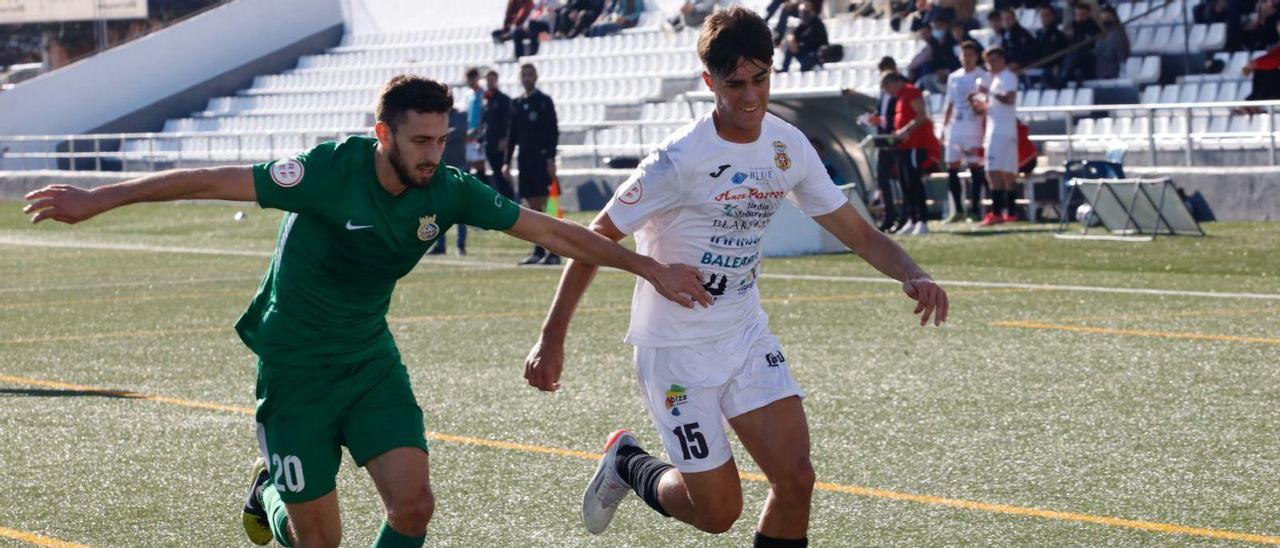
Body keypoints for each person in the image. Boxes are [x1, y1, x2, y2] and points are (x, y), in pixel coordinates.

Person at [21, 75, 714, 548]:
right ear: (382, 132)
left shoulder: (448, 189)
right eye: (420, 141)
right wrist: (95, 199)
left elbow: (556, 232)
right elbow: (208, 180)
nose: (434, 154)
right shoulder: (328, 171)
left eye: (443, 140)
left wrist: (649, 267)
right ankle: (268, 495)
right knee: (318, 539)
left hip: (368, 361)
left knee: (414, 505)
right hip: (293, 368)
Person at [521, 8, 949, 547]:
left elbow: (857, 232)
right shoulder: (677, 160)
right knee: (718, 512)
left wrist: (913, 273)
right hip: (676, 352)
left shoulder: (787, 145)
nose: (750, 96)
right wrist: (552, 336)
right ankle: (630, 465)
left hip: (745, 335)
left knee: (797, 480)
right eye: (734, 84)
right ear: (709, 82)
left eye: (760, 79)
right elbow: (594, 237)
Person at [504, 63, 562, 265]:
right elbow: (512, 135)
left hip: (541, 158)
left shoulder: (544, 101)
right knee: (532, 207)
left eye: (530, 74)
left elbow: (552, 131)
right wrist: (506, 162)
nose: (527, 77)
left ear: (536, 76)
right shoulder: (516, 103)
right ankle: (538, 250)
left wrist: (550, 158)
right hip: (524, 160)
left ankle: (554, 252)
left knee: (548, 206)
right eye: (524, 74)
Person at [433, 67, 487, 256]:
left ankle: (460, 244)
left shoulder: (460, 115)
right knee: (438, 208)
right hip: (440, 165)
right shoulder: (435, 116)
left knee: (460, 208)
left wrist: (440, 134)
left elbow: (459, 132)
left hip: (458, 164)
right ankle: (439, 244)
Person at [882, 71, 941, 235]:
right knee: (905, 183)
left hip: (916, 144)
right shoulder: (901, 97)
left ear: (894, 82)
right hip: (905, 146)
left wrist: (905, 130)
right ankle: (913, 219)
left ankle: (922, 219)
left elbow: (921, 116)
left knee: (914, 181)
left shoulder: (911, 92)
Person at [971, 46, 1019, 225]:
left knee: (1005, 173)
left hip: (1004, 132)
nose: (990, 65)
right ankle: (999, 212)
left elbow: (1009, 99)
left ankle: (1006, 212)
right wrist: (978, 107)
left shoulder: (1008, 77)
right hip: (993, 130)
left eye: (994, 60)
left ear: (1002, 60)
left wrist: (988, 93)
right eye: (988, 61)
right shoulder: (994, 80)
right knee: (994, 172)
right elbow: (993, 107)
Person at [943, 41, 989, 222]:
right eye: (964, 55)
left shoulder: (983, 76)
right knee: (952, 167)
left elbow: (984, 104)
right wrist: (944, 127)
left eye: (970, 55)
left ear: (976, 57)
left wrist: (976, 105)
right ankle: (958, 209)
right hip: (956, 126)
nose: (967, 58)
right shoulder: (954, 77)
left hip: (974, 126)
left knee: (974, 167)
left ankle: (975, 209)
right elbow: (950, 103)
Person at [867, 57, 902, 232]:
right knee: (882, 179)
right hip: (883, 140)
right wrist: (875, 118)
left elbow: (898, 115)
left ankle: (904, 216)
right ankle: (889, 215)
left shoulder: (900, 89)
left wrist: (881, 119)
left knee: (901, 180)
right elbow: (883, 112)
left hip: (896, 140)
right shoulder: (883, 91)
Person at [482, 69, 516, 200]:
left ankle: (511, 200)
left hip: (499, 143)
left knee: (503, 174)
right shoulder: (487, 99)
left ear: (496, 80)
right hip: (489, 142)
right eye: (487, 80)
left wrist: (505, 139)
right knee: (496, 174)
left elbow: (509, 121)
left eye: (492, 79)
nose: (489, 82)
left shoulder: (503, 99)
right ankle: (503, 200)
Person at [779, 1, 828, 72]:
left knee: (808, 61)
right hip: (806, 53)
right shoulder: (804, 24)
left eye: (805, 12)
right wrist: (791, 40)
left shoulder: (818, 24)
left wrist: (796, 41)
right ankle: (784, 69)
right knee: (790, 47)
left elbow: (812, 40)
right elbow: (792, 34)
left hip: (817, 54)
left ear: (812, 11)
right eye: (801, 12)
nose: (803, 14)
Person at [1061, 3, 1100, 85]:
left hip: (1088, 58)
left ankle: (1065, 76)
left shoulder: (1093, 27)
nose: (1079, 17)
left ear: (1088, 14)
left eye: (1082, 14)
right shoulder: (1074, 26)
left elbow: (1092, 44)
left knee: (1078, 53)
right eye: (1077, 14)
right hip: (1074, 58)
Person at [1033, 6, 1069, 88]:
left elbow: (1062, 55)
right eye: (1042, 15)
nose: (1044, 18)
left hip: (1053, 68)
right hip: (1039, 66)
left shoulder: (1059, 36)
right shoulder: (1038, 34)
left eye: (1047, 15)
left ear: (1052, 16)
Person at [1093, 5, 1129, 80]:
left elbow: (1121, 55)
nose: (1103, 18)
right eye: (1102, 16)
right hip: (1100, 70)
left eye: (1106, 16)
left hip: (1113, 71)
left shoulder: (1118, 33)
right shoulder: (1101, 33)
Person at [998, 8, 1035, 74]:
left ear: (1014, 19)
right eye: (1004, 19)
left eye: (1009, 18)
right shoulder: (1003, 34)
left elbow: (1028, 52)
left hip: (1023, 68)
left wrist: (1018, 64)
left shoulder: (1023, 34)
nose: (1006, 21)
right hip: (1007, 67)